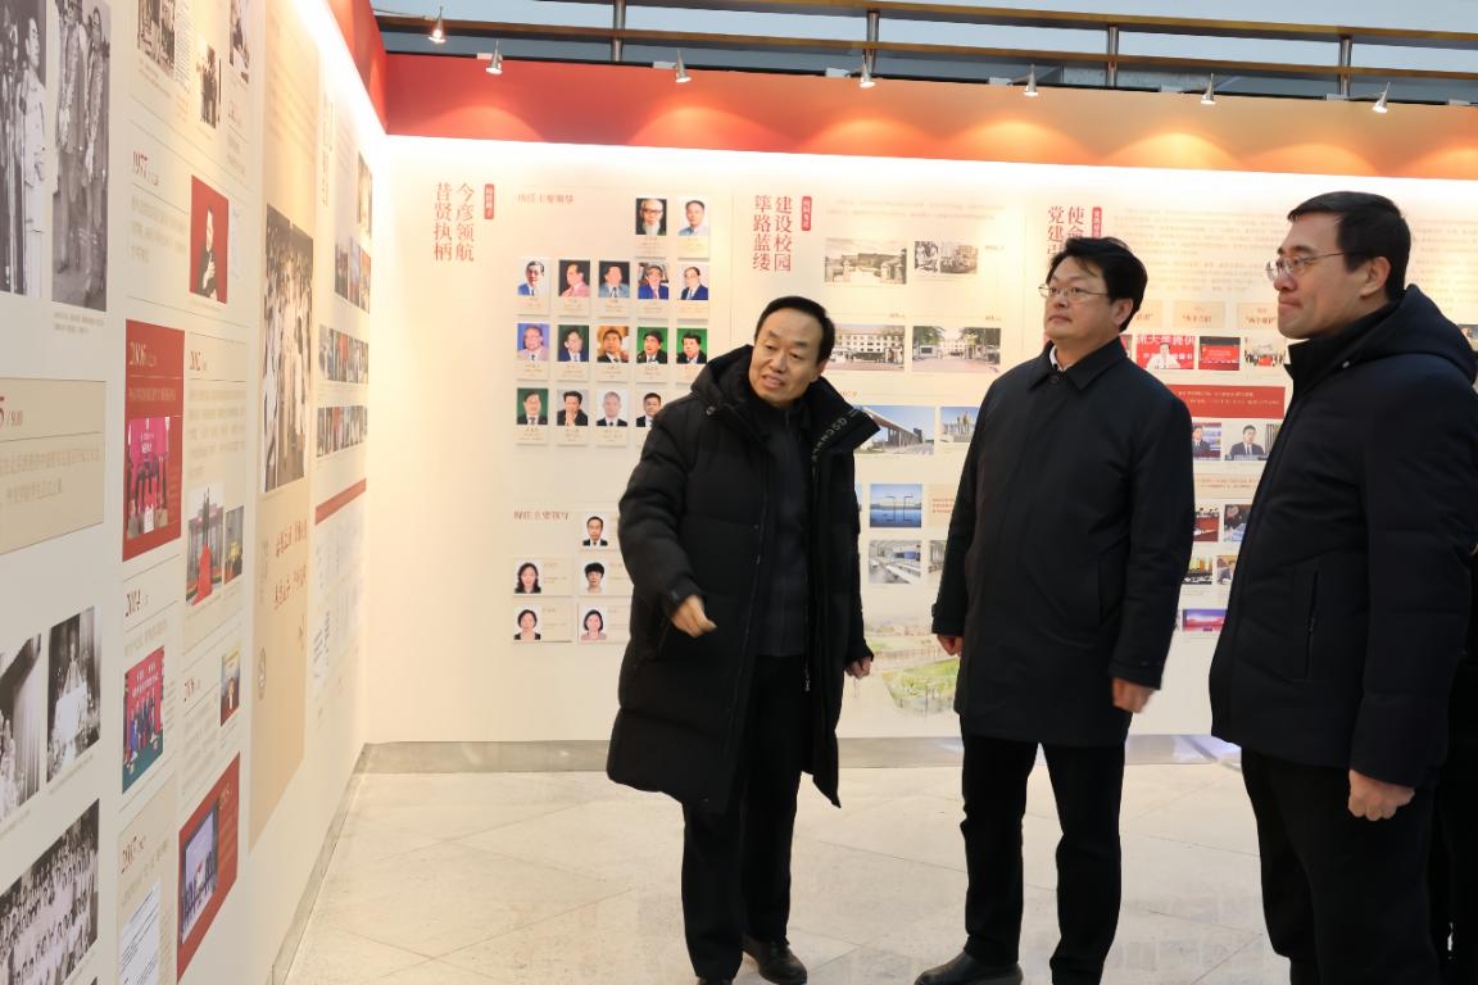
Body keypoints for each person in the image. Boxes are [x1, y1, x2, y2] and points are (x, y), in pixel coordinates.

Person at [1209, 191, 1478, 985]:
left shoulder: (1416, 390)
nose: (1281, 278)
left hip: (1346, 745)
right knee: (1312, 936)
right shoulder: (1339, 375)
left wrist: (1389, 754)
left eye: (1302, 260)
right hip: (1295, 729)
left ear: (1372, 273)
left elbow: (1423, 592)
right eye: (1280, 260)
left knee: (1371, 952)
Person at [920, 237, 1193, 985]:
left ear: (1122, 309)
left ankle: (1078, 969)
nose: (1060, 298)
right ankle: (989, 951)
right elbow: (971, 509)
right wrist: (953, 606)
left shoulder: (1152, 411)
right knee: (987, 814)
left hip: (1087, 655)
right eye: (1054, 286)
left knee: (1088, 832)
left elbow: (1160, 550)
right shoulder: (1009, 390)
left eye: (1080, 288)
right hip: (997, 644)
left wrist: (1138, 658)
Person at [608, 294, 879, 985]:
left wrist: (848, 634)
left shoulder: (827, 439)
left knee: (775, 803)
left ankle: (767, 932)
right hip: (712, 655)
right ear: (752, 344)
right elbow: (644, 513)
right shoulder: (689, 422)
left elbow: (836, 545)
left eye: (796, 352)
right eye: (769, 344)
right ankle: (714, 955)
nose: (776, 362)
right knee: (712, 803)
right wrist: (674, 587)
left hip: (791, 661)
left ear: (819, 367)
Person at [20, 16, 44, 296]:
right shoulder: (20, 93)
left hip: (40, 207)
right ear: (25, 45)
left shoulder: (44, 94)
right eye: (33, 36)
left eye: (39, 37)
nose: (37, 43)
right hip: (25, 203)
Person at [195, 208, 219, 298]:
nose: (207, 235)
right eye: (206, 229)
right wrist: (205, 279)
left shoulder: (214, 257)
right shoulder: (199, 257)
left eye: (209, 230)